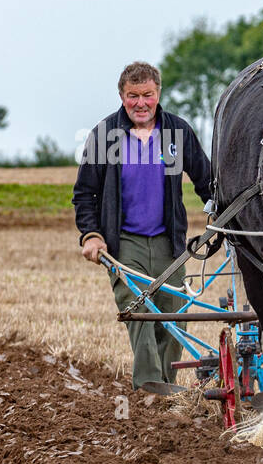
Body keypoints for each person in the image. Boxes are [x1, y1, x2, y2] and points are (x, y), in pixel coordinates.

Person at [73, 61, 214, 391]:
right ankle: (151, 388)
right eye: (132, 95)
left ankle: (166, 393)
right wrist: (92, 235)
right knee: (139, 314)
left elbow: (206, 180)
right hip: (124, 243)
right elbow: (84, 193)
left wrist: (223, 215)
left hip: (169, 243)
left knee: (174, 319)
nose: (140, 103)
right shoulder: (106, 136)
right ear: (122, 96)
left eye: (147, 95)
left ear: (158, 94)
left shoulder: (176, 133)